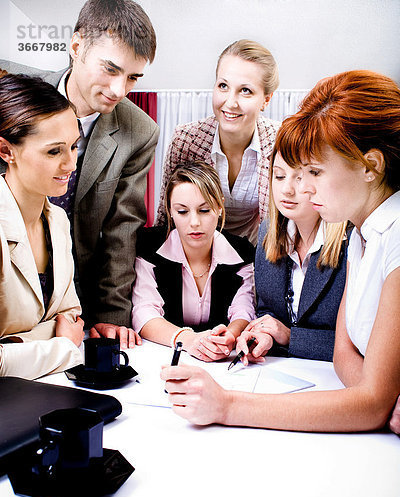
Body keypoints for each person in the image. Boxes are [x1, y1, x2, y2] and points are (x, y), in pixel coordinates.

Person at [161, 70, 400, 433]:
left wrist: (226, 404)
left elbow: (371, 405)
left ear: (371, 166)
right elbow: (344, 355)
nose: (301, 187)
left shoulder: (393, 237)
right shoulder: (363, 232)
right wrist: (375, 396)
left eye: (315, 172)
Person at [0, 0, 159, 348]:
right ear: (76, 47)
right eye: (110, 69)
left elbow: (122, 230)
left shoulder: (139, 131)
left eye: (132, 77)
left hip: (71, 299)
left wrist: (111, 318)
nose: (119, 89)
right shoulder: (11, 90)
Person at [0, 73, 84, 379]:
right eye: (54, 151)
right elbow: (68, 336)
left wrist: (16, 344)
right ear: (6, 151)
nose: (71, 164)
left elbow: (71, 317)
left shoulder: (57, 220)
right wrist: (61, 345)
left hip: (49, 387)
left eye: (74, 146)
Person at [155, 39, 280, 245]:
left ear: (266, 100)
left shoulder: (279, 142)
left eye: (245, 90)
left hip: (257, 251)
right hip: (198, 250)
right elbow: (165, 216)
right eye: (223, 86)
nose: (230, 103)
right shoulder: (186, 140)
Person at [132, 162, 255, 361]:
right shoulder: (149, 247)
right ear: (170, 211)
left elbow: (244, 308)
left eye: (204, 210)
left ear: (220, 207)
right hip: (161, 357)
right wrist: (188, 340)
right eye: (182, 212)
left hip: (223, 362)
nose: (194, 222)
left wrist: (230, 336)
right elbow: (144, 312)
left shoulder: (242, 252)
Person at [237, 149, 347, 363]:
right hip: (281, 372)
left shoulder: (352, 239)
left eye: (299, 178)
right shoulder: (267, 231)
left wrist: (289, 337)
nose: (286, 190)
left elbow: (362, 344)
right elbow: (268, 310)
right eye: (279, 176)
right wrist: (263, 334)